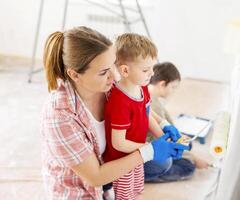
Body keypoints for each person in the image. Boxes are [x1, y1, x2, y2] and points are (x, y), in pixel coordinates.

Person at [41, 26, 189, 199]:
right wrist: (149, 151)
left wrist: (164, 125)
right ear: (75, 75)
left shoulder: (111, 86)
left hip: (112, 162)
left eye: (113, 65)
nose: (116, 76)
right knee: (160, 161)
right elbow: (95, 177)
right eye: (104, 72)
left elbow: (142, 108)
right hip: (84, 189)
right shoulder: (60, 115)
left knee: (163, 163)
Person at [102, 33, 184, 200]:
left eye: (152, 67)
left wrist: (163, 131)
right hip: (122, 162)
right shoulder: (120, 102)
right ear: (125, 70)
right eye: (146, 69)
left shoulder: (142, 87)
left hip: (137, 155)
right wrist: (150, 148)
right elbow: (119, 143)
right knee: (123, 195)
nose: (152, 74)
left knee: (136, 191)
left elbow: (146, 115)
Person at [144, 62, 209, 183]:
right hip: (152, 146)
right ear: (162, 84)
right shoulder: (153, 103)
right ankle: (152, 175)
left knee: (188, 143)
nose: (173, 91)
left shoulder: (151, 97)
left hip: (158, 140)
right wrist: (194, 159)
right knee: (188, 167)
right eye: (173, 87)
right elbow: (164, 141)